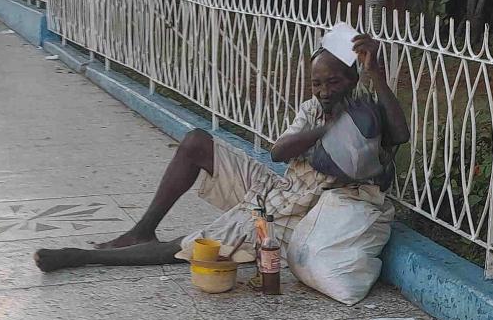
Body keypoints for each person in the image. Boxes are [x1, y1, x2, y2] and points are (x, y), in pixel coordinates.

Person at [33, 35, 411, 273]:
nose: (324, 90)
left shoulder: (366, 114)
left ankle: (83, 257)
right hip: (277, 188)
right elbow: (279, 152)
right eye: (316, 82)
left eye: (334, 81)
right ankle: (141, 230)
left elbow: (401, 134)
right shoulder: (313, 110)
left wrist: (376, 76)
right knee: (197, 141)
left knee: (194, 245)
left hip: (295, 214)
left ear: (353, 80)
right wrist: (327, 129)